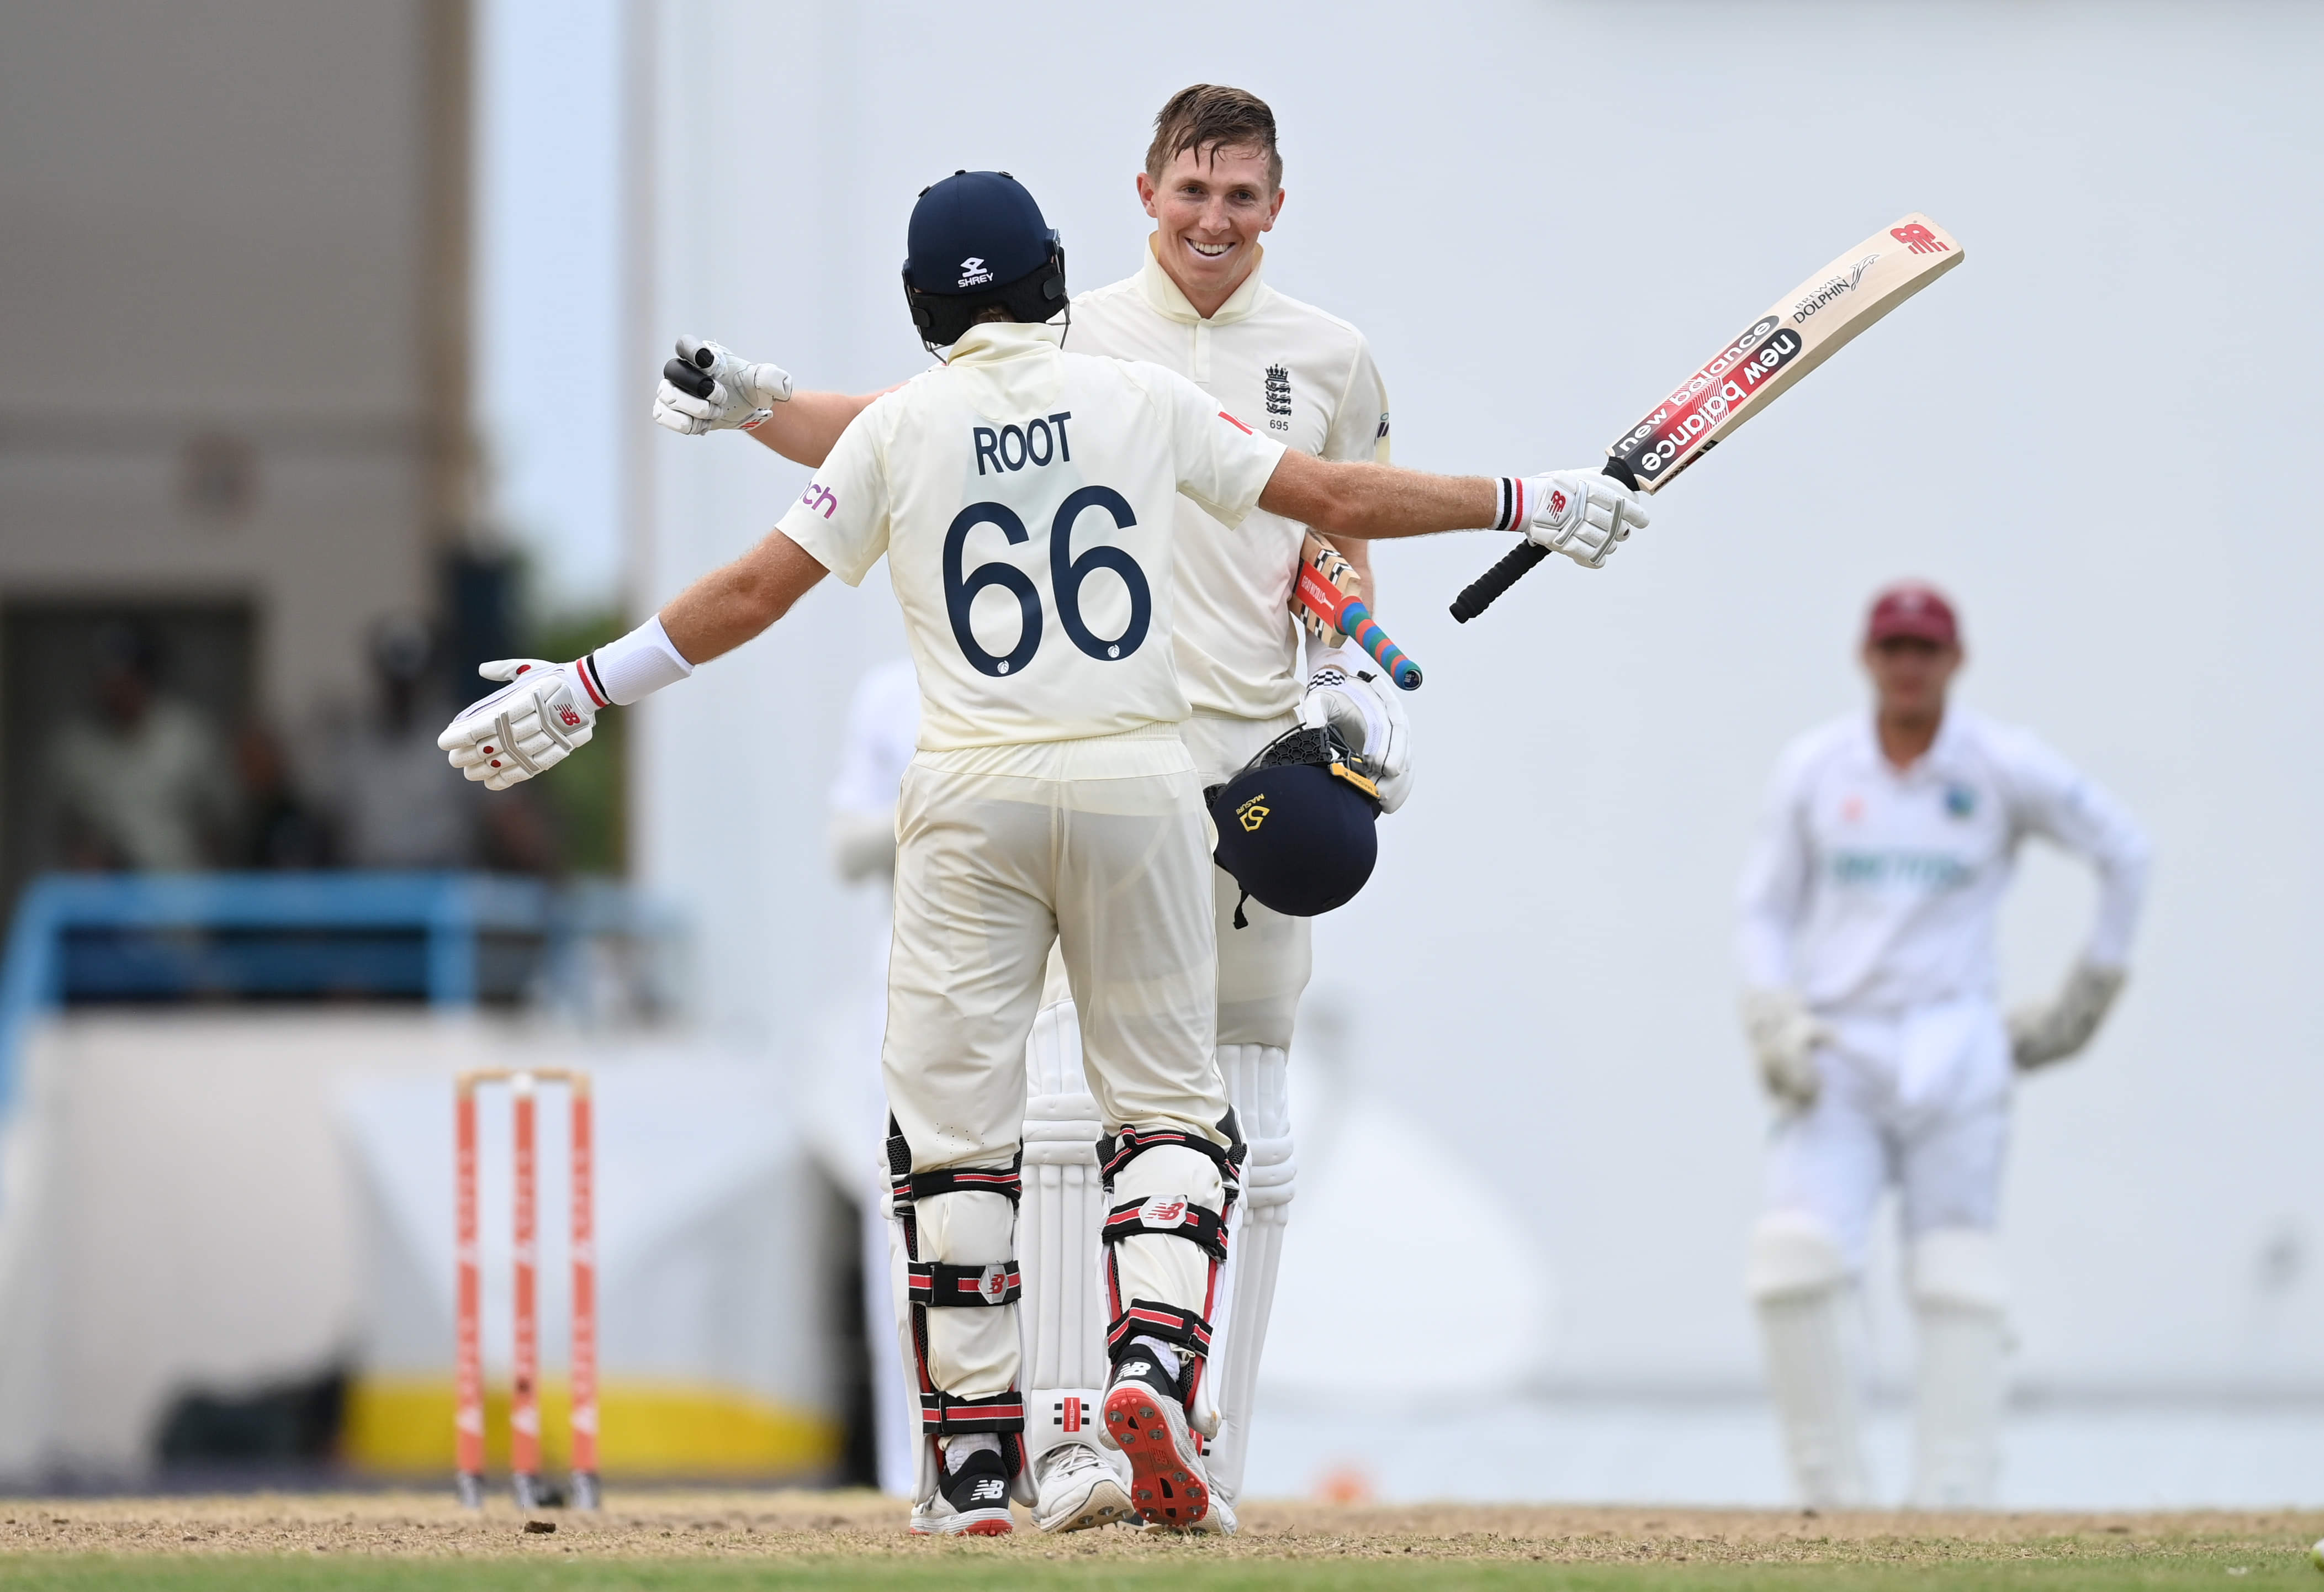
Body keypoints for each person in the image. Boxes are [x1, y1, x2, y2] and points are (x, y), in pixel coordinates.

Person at [447, 168, 1645, 1535]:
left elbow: (748, 595)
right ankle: (1149, 1368)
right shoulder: (1138, 399)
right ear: (1058, 277)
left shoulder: (900, 428)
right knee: (1172, 1115)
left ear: (918, 306)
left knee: (955, 1135)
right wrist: (1522, 497)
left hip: (971, 795)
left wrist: (583, 687)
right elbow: (1330, 492)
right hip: (1142, 780)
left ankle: (970, 1464)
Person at [649, 85, 1486, 1532]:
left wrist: (1356, 683)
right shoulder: (1081, 336)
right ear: (1144, 193)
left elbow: (1333, 529)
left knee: (1253, 1126)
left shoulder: (1332, 355)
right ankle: (1066, 1443)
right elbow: (902, 427)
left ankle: (1186, 1445)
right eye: (1191, 192)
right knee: (1064, 1119)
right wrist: (765, 407)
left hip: (1263, 767)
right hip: (1131, 757)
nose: (1213, 220)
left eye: (1242, 196)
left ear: (1277, 205)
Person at [1734, 581, 2151, 1509]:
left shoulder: (2000, 763)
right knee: (1792, 1257)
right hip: (1835, 1046)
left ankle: (1953, 1505)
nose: (1908, 666)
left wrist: (2085, 997)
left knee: (1955, 1265)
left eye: (1924, 650)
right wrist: (1768, 1012)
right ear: (1866, 657)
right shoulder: (1815, 767)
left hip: (1955, 1043)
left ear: (1953, 660)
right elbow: (1764, 907)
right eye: (1893, 649)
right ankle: (1829, 1503)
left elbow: (2124, 850)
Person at [824, 656, 923, 1498]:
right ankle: (907, 1473)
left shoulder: (1059, 663)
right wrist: (948, 804)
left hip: (1039, 981)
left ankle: (1040, 1453)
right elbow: (846, 844)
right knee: (900, 1217)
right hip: (909, 985)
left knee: (1043, 1211)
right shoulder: (893, 689)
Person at [48, 623, 238, 872]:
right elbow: (66, 826)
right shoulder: (76, 748)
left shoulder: (188, 736)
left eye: (126, 681)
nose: (115, 691)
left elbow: (221, 822)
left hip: (179, 893)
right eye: (106, 681)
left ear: (147, 679)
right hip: (108, 899)